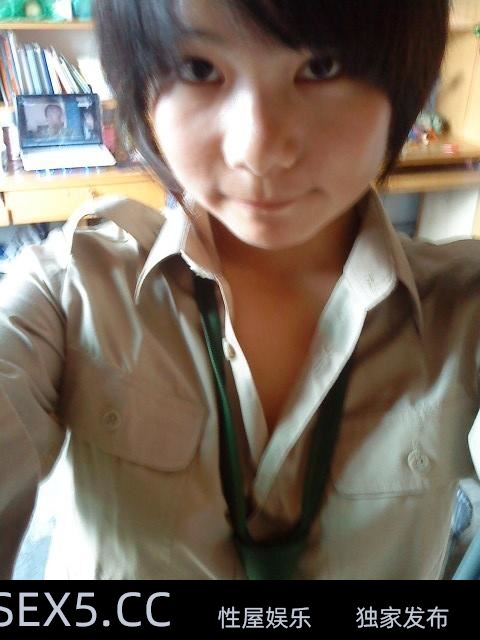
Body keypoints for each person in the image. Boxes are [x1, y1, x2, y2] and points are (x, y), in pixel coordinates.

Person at [0, 0, 477, 580]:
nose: (258, 150)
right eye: (200, 69)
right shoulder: (71, 287)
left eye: (321, 67)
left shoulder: (462, 309)